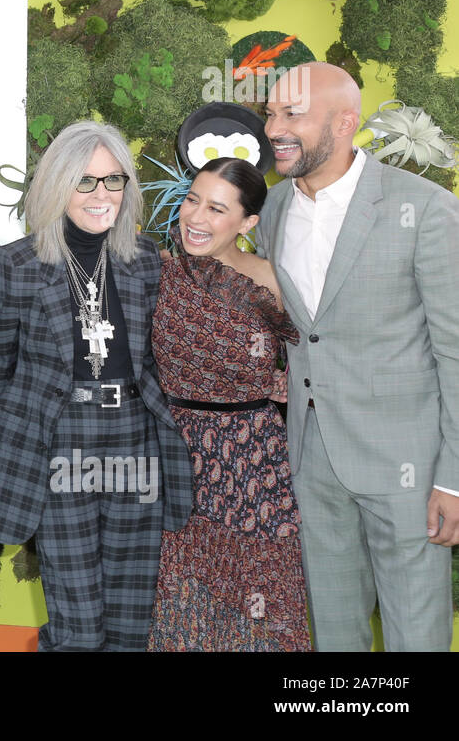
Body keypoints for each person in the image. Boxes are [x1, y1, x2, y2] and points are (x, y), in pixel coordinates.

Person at [256, 62, 459, 651]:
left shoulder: (422, 208)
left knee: (415, 632)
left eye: (292, 114)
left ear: (345, 123)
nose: (274, 129)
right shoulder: (270, 211)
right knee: (333, 630)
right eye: (271, 113)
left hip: (409, 466)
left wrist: (453, 478)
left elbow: (454, 350)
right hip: (312, 459)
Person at [0, 121, 192, 651]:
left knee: (132, 615)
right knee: (77, 618)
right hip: (60, 443)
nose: (102, 195)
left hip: (135, 437)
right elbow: (0, 368)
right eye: (85, 181)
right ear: (57, 184)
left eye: (113, 180)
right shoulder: (19, 263)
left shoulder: (145, 259)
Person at [146, 156, 310, 651]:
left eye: (217, 209)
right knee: (176, 606)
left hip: (254, 462)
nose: (196, 218)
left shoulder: (272, 283)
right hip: (173, 457)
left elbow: (308, 365)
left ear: (248, 222)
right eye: (192, 201)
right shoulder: (156, 273)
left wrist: (279, 386)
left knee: (258, 603)